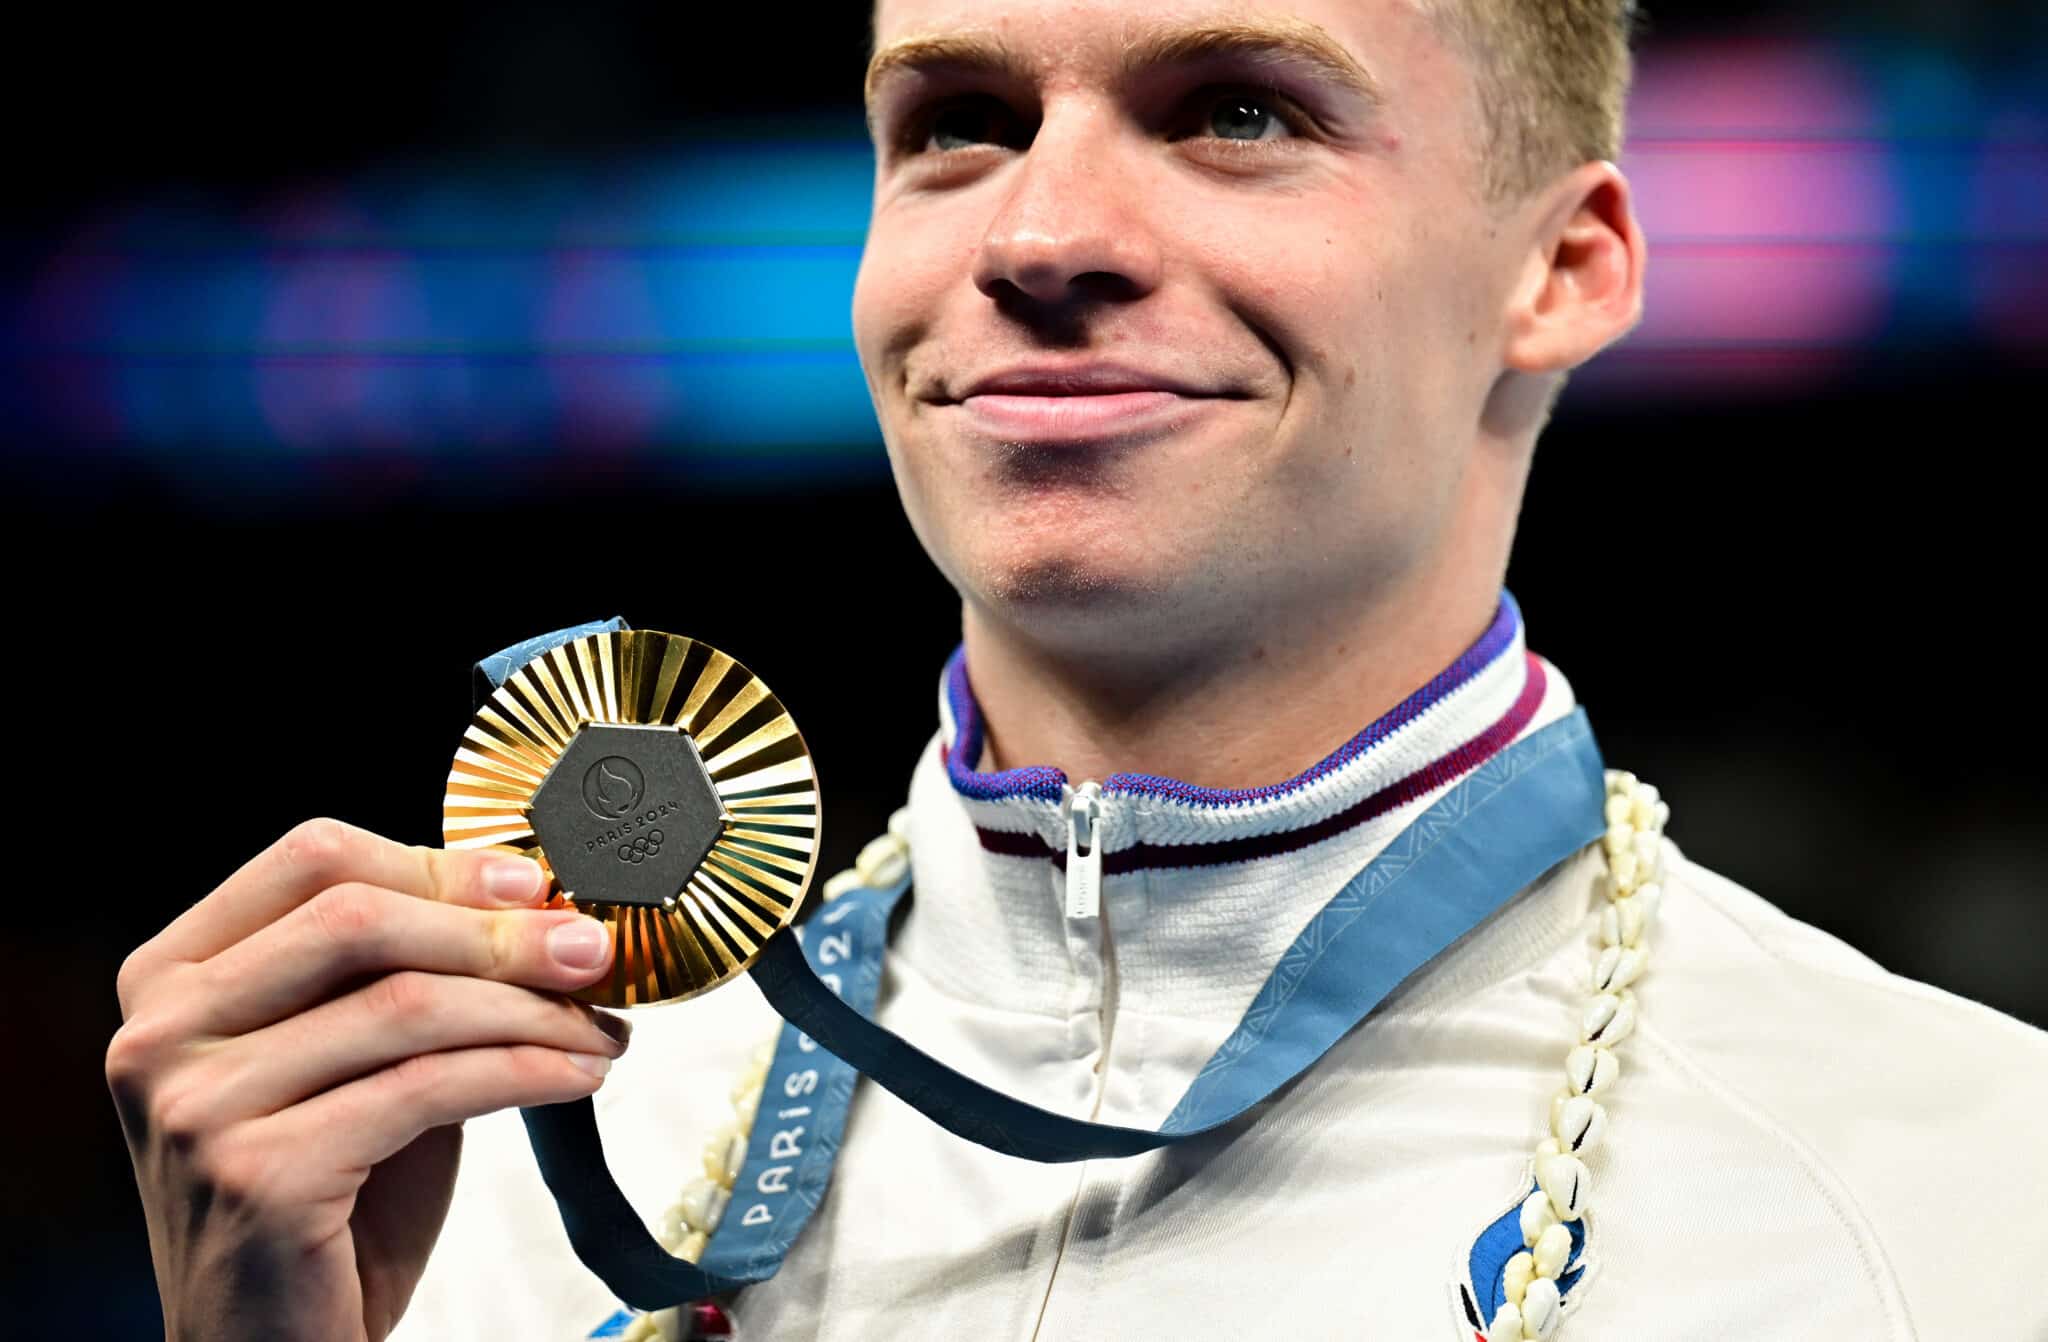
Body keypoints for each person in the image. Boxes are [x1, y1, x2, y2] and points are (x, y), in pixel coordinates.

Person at [107, 1, 2048, 1338]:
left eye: (1237, 110)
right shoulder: (454, 1184)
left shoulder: (1971, 1199)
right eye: (957, 121)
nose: (1039, 234)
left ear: (1563, 267)